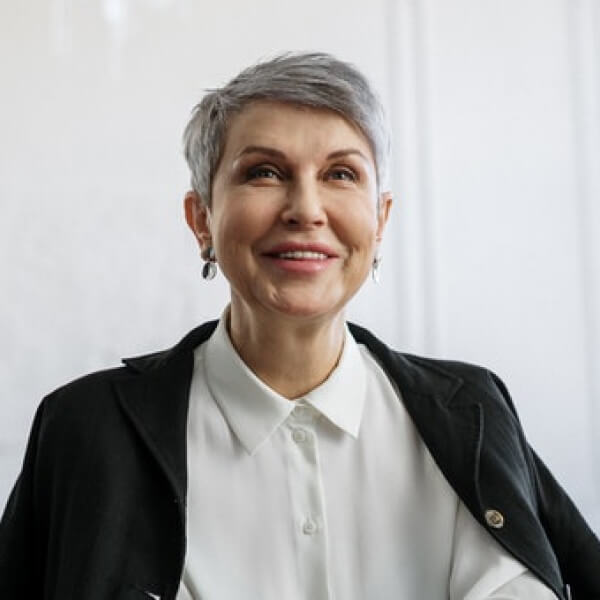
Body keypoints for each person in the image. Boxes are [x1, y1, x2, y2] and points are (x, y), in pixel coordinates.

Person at [0, 52, 598, 600]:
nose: (306, 210)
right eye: (264, 172)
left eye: (341, 175)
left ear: (380, 221)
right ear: (202, 218)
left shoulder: (475, 410)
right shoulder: (83, 428)